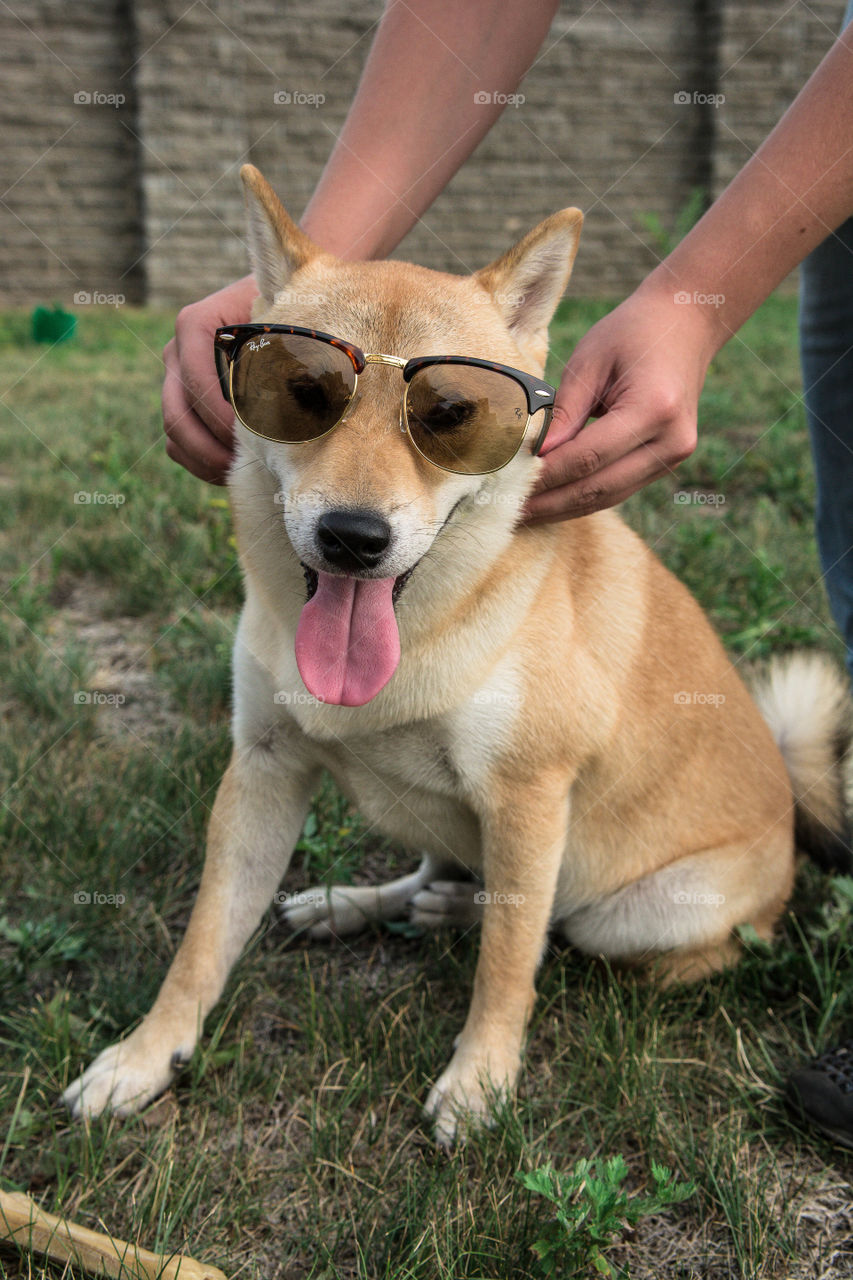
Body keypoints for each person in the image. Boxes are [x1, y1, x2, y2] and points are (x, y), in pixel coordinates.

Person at [160, 0, 853, 1144]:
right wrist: (306, 288)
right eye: (303, 394)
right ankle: (385, 915)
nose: (358, 501)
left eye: (452, 420)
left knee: (588, 873)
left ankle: (505, 995)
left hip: (661, 866)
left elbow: (527, 792)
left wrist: (691, 302)